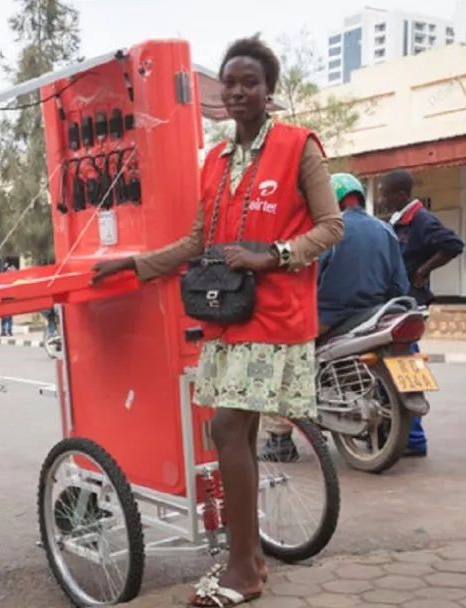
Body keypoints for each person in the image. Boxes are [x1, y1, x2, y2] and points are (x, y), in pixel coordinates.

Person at [93, 36, 343, 607]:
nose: (236, 92)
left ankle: (241, 570)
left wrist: (270, 255)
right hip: (226, 316)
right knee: (236, 432)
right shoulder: (215, 161)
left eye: (249, 82)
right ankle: (251, 557)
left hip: (275, 315)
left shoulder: (298, 146)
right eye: (229, 83)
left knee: (228, 429)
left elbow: (332, 227)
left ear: (268, 91)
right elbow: (197, 242)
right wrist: (133, 265)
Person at [259, 173, 409, 462]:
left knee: (275, 356)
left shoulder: (329, 231)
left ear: (332, 199)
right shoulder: (385, 230)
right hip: (374, 315)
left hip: (329, 316)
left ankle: (279, 437)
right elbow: (399, 284)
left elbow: (307, 279)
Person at [379, 169, 464, 457]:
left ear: (401, 195)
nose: (382, 198)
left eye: (385, 193)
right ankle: (396, 432)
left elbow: (453, 245)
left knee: (406, 366)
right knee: (395, 365)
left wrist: (422, 272)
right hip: (398, 301)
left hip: (410, 303)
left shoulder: (421, 220)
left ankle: (414, 438)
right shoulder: (398, 221)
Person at [0, 262, 16, 337]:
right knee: (6, 316)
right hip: (5, 299)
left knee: (8, 316)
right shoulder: (4, 278)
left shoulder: (10, 278)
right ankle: (5, 331)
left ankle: (7, 330)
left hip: (9, 298)